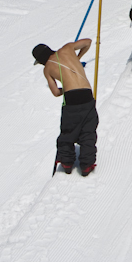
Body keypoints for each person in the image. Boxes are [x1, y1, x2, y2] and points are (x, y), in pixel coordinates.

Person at [33, 38, 99, 175]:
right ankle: (87, 164)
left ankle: (67, 162)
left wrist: (67, 88)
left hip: (71, 99)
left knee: (68, 131)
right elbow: (88, 42)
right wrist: (77, 58)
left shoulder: (47, 69)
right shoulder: (68, 48)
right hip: (87, 93)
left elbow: (56, 92)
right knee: (88, 130)